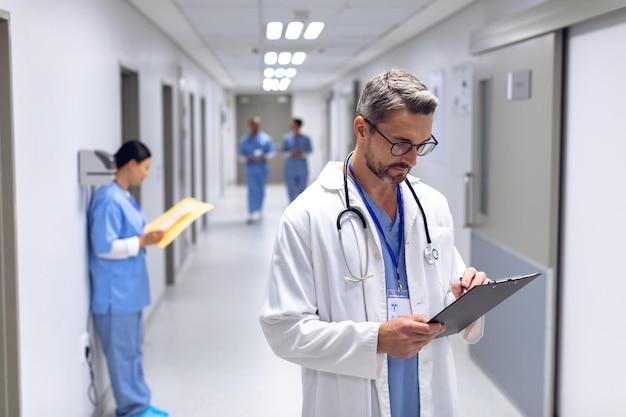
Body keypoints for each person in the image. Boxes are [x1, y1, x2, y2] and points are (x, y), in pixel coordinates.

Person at [259, 69, 491, 417]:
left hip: (425, 395)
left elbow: (445, 291)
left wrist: (467, 296)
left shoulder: (432, 206)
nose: (411, 160)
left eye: (421, 146)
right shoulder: (308, 215)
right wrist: (377, 340)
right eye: (400, 144)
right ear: (362, 129)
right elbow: (284, 329)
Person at [88, 140, 168, 417]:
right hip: (114, 296)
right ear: (130, 164)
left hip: (128, 291)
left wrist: (145, 237)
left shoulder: (124, 195)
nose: (146, 174)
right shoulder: (108, 198)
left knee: (133, 352)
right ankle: (131, 410)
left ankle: (140, 403)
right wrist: (142, 241)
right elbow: (103, 247)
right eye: (144, 168)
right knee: (123, 357)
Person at [239, 116, 275, 223]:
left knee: (261, 190)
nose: (255, 126)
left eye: (257, 124)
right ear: (250, 125)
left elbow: (271, 153)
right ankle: (251, 212)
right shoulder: (244, 140)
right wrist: (246, 158)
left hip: (262, 168)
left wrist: (265, 156)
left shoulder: (266, 138)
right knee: (252, 190)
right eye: (253, 124)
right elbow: (240, 156)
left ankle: (259, 210)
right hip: (250, 169)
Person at [281, 117, 313, 202]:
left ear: (297, 125)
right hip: (290, 168)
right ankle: (291, 208)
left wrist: (301, 153)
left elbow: (309, 151)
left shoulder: (306, 138)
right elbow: (283, 152)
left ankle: (301, 209)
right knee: (291, 190)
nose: (290, 125)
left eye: (292, 124)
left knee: (302, 190)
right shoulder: (286, 138)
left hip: (301, 168)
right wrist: (291, 153)